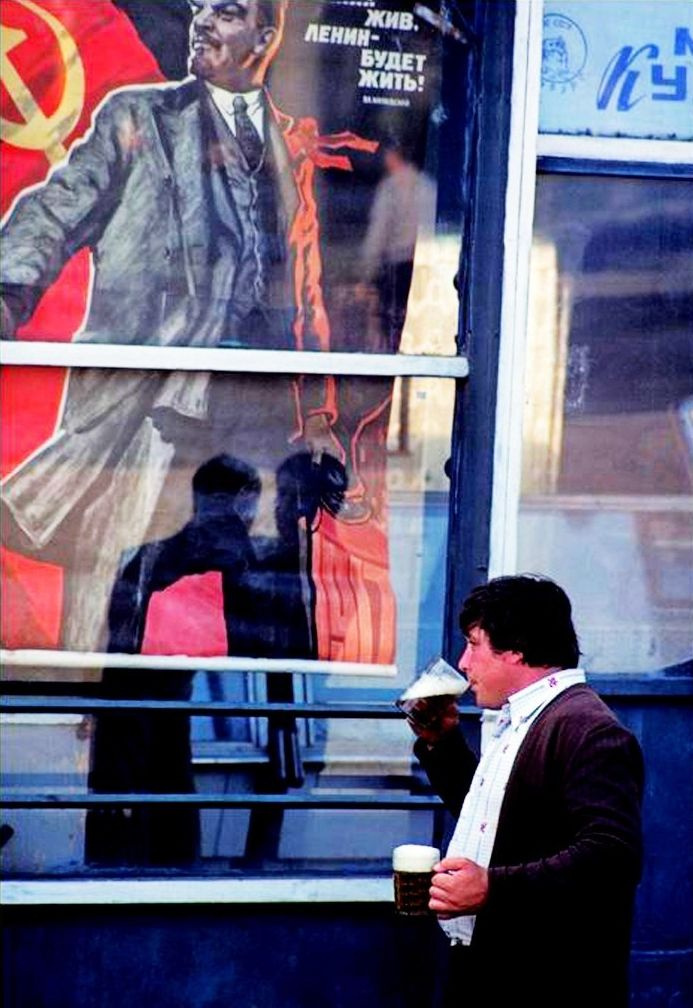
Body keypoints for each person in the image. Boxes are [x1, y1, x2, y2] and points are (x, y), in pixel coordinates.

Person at [0, 0, 375, 653]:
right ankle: (95, 719)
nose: (201, 20)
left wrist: (319, 419)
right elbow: (54, 213)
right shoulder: (137, 118)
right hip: (150, 411)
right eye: (198, 8)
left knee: (272, 606)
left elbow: (305, 298)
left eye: (225, 12)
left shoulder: (293, 149)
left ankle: (279, 733)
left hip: (259, 426)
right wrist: (9, 289)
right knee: (114, 591)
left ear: (265, 35)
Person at [408, 575, 644, 1008]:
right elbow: (503, 819)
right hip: (498, 970)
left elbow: (612, 856)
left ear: (515, 647)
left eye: (473, 644)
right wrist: (442, 744)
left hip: (547, 982)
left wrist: (491, 888)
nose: (463, 663)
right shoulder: (528, 717)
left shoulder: (588, 728)